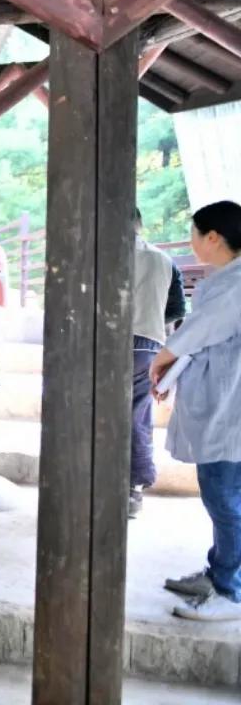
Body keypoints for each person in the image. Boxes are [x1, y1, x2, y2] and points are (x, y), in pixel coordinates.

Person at [152, 200, 241, 622]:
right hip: (223, 405)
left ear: (213, 238)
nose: (190, 243)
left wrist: (160, 360)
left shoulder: (237, 284)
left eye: (194, 234)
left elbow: (200, 331)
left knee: (226, 498)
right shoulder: (227, 278)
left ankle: (230, 589)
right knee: (222, 495)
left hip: (231, 410)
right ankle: (220, 571)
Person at [129, 208, 187, 518]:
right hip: (148, 345)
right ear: (140, 223)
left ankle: (91, 483)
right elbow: (176, 309)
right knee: (137, 415)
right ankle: (133, 490)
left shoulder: (97, 253)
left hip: (102, 343)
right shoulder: (164, 260)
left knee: (93, 414)